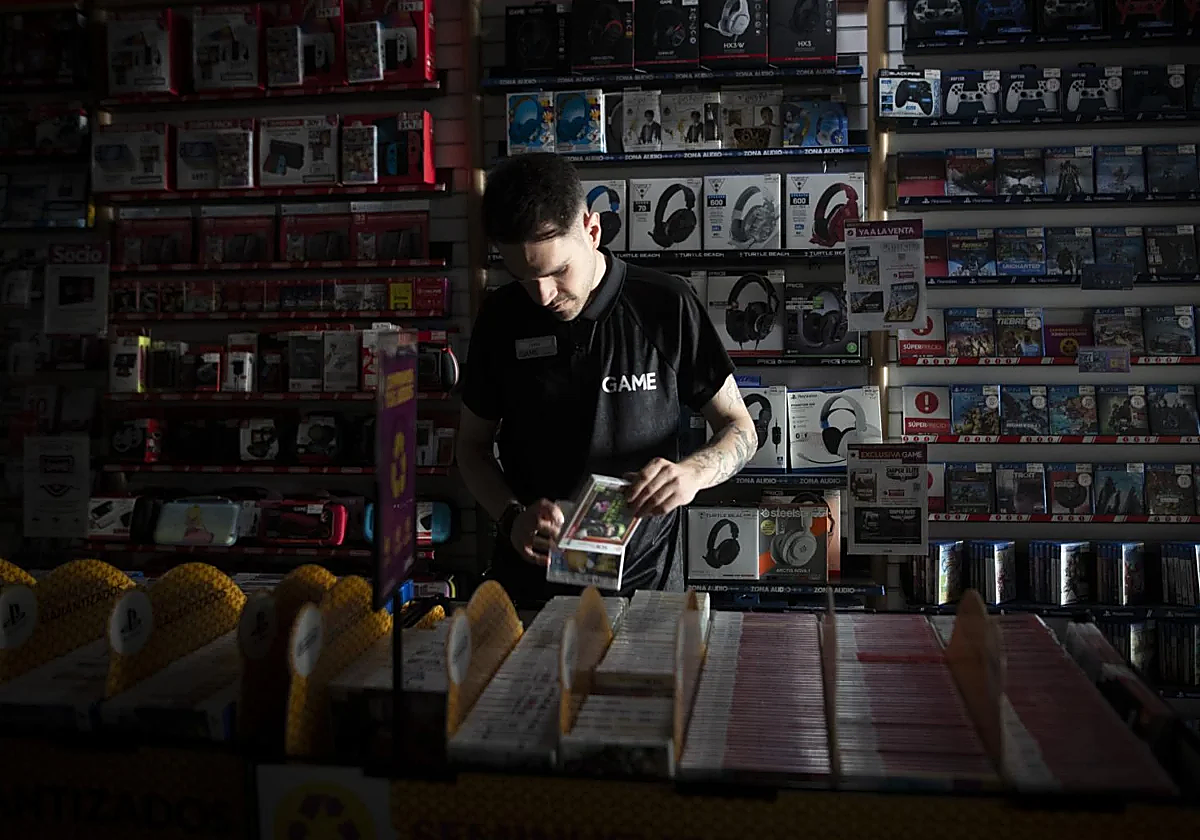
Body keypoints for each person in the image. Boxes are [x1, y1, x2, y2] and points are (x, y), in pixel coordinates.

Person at [457, 153, 757, 603]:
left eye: (558, 271)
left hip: (646, 593)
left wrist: (692, 474)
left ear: (592, 231)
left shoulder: (666, 305)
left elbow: (741, 428)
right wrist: (511, 515)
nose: (542, 296)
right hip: (531, 592)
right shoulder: (500, 318)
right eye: (522, 277)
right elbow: (471, 448)